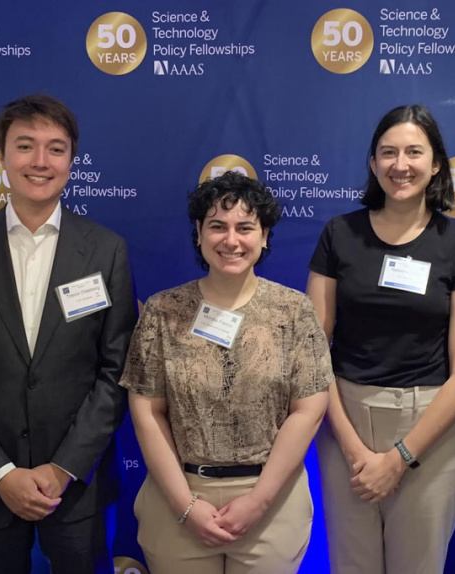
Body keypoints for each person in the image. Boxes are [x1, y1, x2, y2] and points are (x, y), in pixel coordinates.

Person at [0, 94, 137, 573]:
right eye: (25, 146)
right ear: (1, 157)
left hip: (78, 489)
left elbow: (116, 372)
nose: (40, 161)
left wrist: (63, 468)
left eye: (56, 148)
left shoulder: (106, 251)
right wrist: (0, 475)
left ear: (72, 161)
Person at [306, 104, 455, 574]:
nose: (400, 164)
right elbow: (311, 355)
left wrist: (400, 458)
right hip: (344, 420)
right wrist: (353, 449)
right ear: (373, 164)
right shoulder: (338, 234)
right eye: (388, 152)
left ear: (435, 164)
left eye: (414, 152)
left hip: (429, 429)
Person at [120, 170, 332, 574]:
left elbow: (309, 409)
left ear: (264, 235)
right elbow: (146, 411)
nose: (231, 240)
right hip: (178, 501)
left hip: (271, 503)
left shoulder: (294, 311)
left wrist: (259, 501)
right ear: (199, 233)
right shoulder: (164, 312)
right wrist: (185, 506)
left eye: (245, 227)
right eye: (217, 226)